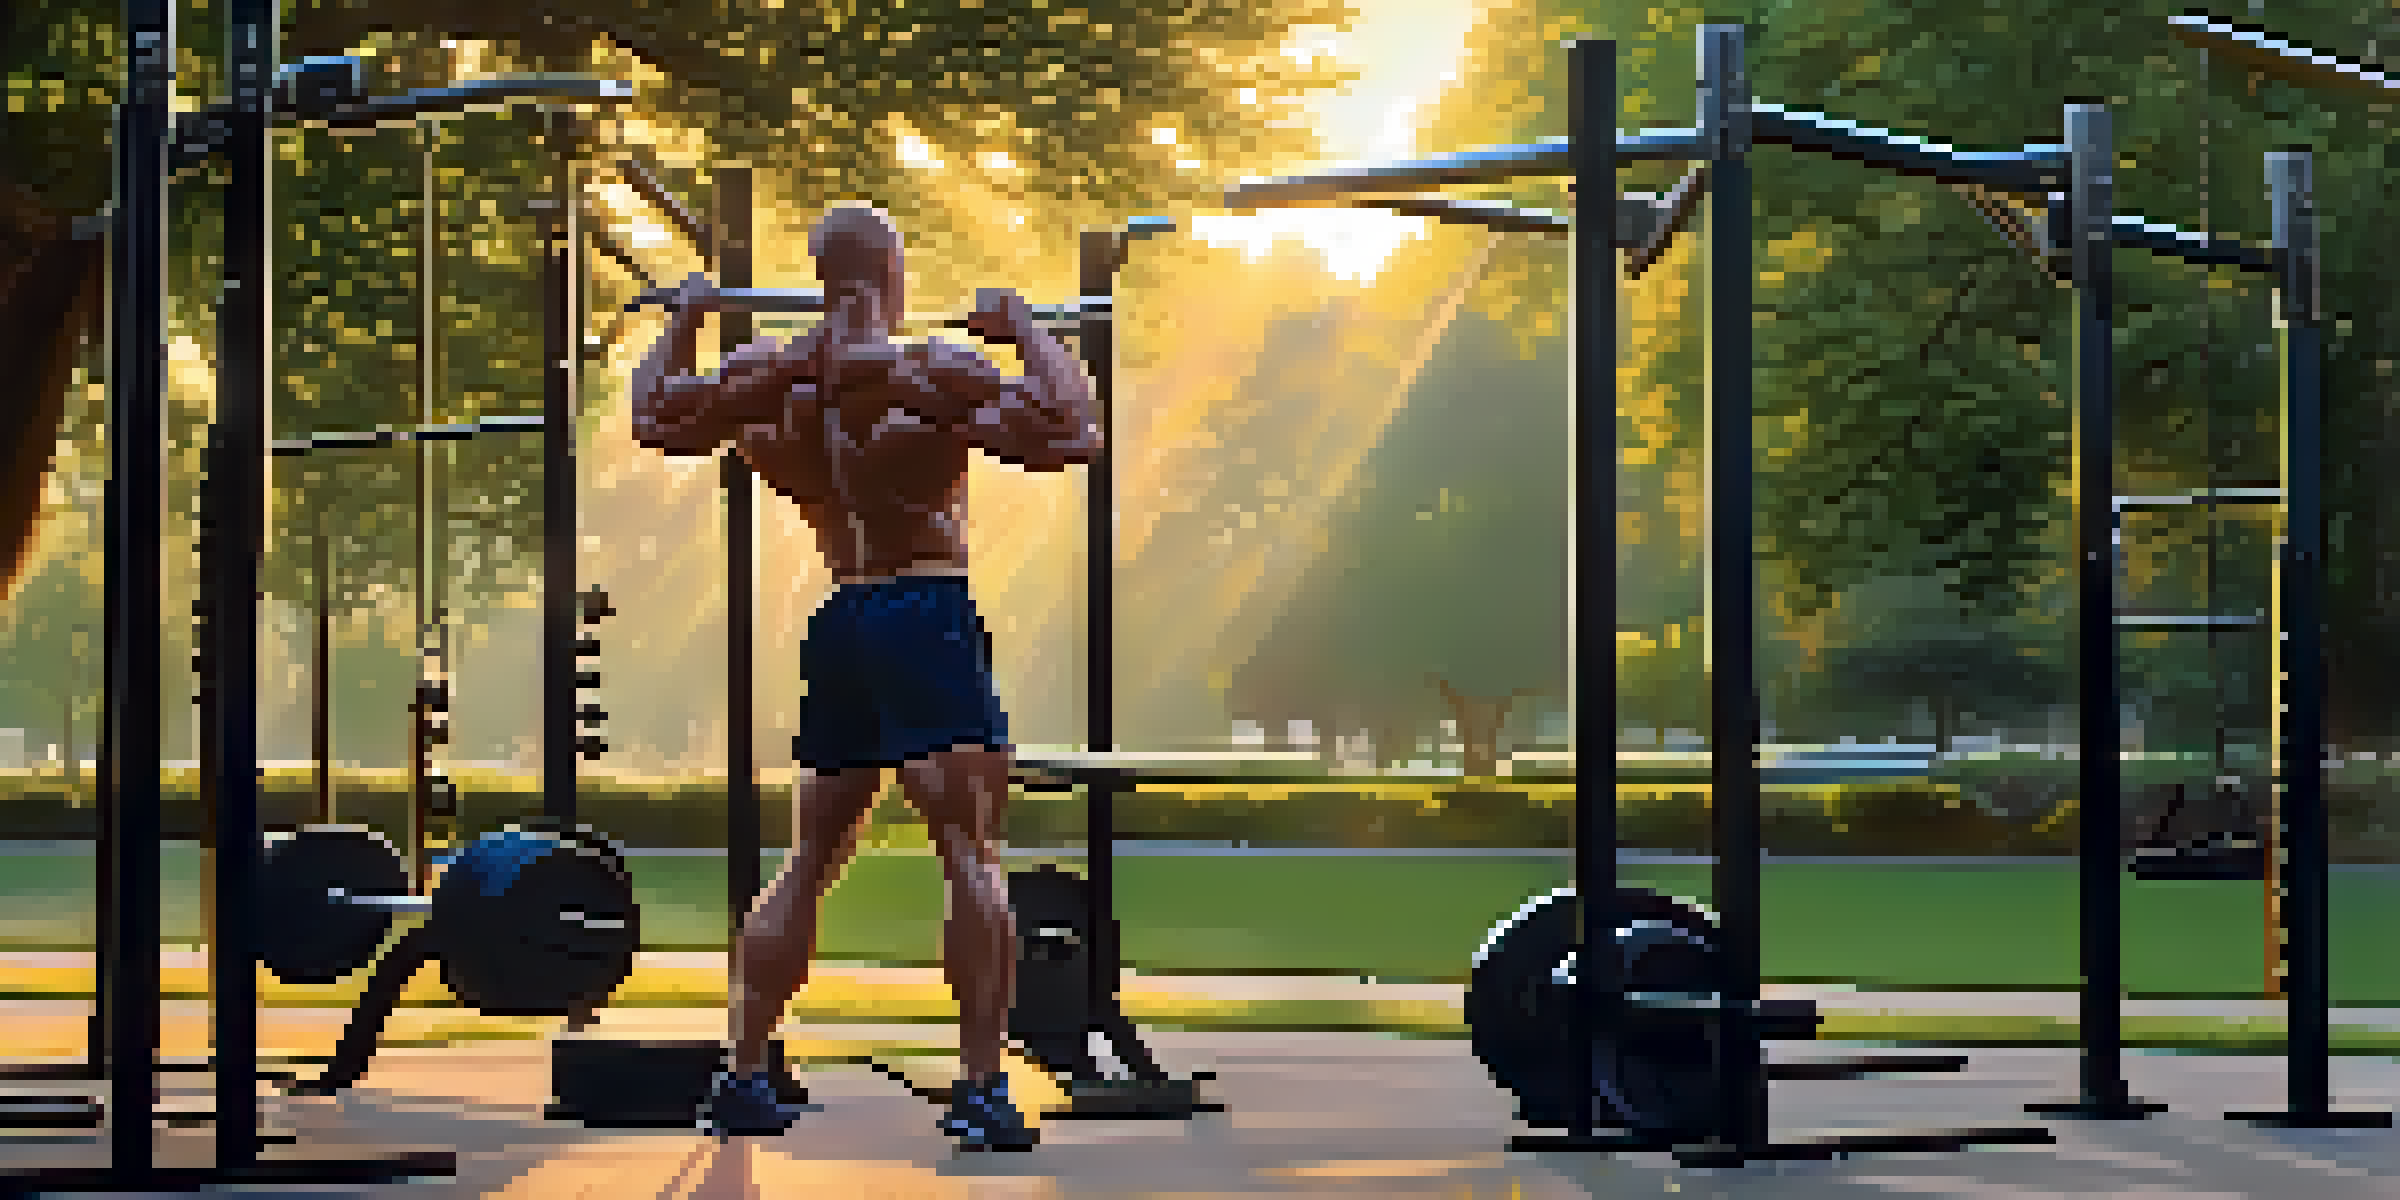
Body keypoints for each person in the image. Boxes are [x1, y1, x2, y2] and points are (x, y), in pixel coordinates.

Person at [627, 202, 1102, 1150]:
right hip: (924, 611)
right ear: (891, 269)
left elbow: (655, 414)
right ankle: (978, 1089)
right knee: (969, 852)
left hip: (842, 615)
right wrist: (1029, 330)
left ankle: (745, 1074)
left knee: (808, 860)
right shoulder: (926, 371)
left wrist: (682, 318)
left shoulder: (770, 378)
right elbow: (1074, 429)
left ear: (817, 273)